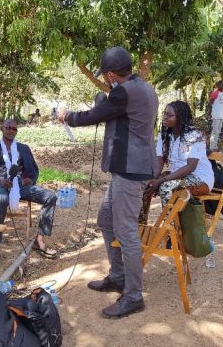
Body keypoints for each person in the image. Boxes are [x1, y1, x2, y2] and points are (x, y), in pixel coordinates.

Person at [58, 46, 158, 319]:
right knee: (105, 219)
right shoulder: (145, 88)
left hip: (130, 170)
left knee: (125, 231)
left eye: (107, 75)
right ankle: (118, 276)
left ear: (112, 74)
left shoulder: (124, 92)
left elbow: (94, 116)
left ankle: (134, 296)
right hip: (129, 168)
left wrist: (66, 117)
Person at [0, 119, 57, 264]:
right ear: (1, 128)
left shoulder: (23, 148)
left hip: (20, 185)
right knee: (2, 198)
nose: (11, 131)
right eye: (8, 127)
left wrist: (31, 180)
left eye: (14, 129)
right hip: (0, 184)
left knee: (50, 196)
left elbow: (34, 170)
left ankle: (39, 240)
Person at [140, 101, 214, 223]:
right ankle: (140, 226)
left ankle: (171, 230)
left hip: (200, 179)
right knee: (145, 184)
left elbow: (190, 167)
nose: (165, 117)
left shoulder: (194, 135)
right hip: (176, 176)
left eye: (169, 115)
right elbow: (159, 161)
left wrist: (161, 180)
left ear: (180, 117)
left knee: (166, 187)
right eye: (164, 114)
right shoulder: (165, 134)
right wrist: (152, 178)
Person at [208, 80, 223, 151]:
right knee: (214, 131)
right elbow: (210, 103)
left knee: (218, 131)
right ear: (218, 85)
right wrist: (210, 113)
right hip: (216, 115)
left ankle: (215, 146)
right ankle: (212, 147)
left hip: (221, 116)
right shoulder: (215, 93)